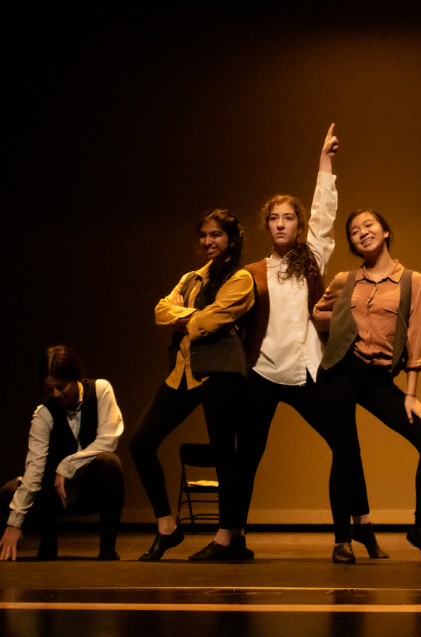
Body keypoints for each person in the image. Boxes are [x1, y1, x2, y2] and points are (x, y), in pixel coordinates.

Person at [235, 125, 385, 563]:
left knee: (345, 446)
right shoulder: (252, 271)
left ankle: (364, 528)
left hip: (306, 372)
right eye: (274, 218)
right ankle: (234, 535)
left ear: (298, 225)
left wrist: (325, 163)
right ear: (266, 226)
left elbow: (324, 214)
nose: (281, 224)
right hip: (263, 374)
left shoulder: (309, 260)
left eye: (288, 218)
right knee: (249, 458)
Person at [313, 209, 421, 563]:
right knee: (344, 453)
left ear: (385, 230)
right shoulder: (346, 279)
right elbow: (317, 314)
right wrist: (344, 322)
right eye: (354, 231)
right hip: (340, 371)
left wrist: (411, 394)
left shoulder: (412, 281)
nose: (362, 233)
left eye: (369, 225)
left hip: (378, 378)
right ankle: (343, 540)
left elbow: (415, 339)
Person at [129, 209, 254, 561]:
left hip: (222, 372)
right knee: (141, 443)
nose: (208, 241)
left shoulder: (241, 279)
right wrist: (194, 318)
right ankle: (167, 526)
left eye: (215, 235)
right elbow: (160, 311)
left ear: (231, 239)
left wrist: (191, 319)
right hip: (184, 371)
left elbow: (217, 319)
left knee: (222, 455)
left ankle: (226, 537)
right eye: (203, 235)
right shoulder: (191, 279)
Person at [1, 346, 124, 561]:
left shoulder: (101, 391)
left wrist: (68, 465)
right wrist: (14, 524)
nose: (57, 394)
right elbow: (34, 470)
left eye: (61, 386)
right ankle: (48, 542)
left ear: (75, 376)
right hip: (54, 498)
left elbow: (108, 439)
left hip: (89, 492)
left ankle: (107, 549)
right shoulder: (44, 414)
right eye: (50, 390)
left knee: (109, 462)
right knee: (9, 492)